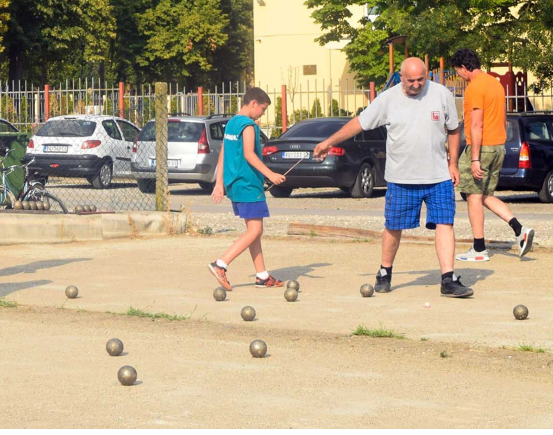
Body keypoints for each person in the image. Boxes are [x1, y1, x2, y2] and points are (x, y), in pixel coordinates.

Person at [313, 57, 474, 298]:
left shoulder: (442, 94)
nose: (416, 85)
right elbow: (360, 123)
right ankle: (384, 272)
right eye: (411, 80)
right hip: (401, 177)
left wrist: (453, 163)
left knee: (445, 223)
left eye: (421, 79)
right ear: (401, 77)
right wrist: (329, 142)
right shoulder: (388, 99)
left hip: (438, 175)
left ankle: (448, 279)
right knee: (393, 226)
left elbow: (453, 130)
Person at [450, 48, 534, 261]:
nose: (458, 75)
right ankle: (519, 229)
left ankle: (479, 249)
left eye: (457, 70)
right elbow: (503, 118)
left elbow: (476, 125)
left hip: (482, 147)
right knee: (485, 195)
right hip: (498, 146)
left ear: (464, 67)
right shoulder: (495, 83)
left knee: (472, 196)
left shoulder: (474, 87)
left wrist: (475, 158)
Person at [208, 87, 286, 291]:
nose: (263, 113)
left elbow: (223, 153)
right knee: (256, 230)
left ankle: (262, 276)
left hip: (235, 185)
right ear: (253, 103)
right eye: (263, 109)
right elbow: (249, 154)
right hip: (249, 184)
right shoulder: (249, 126)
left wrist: (219, 184)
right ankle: (220, 264)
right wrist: (271, 175)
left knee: (254, 231)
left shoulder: (232, 123)